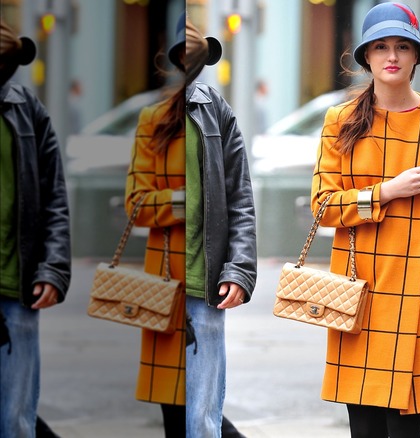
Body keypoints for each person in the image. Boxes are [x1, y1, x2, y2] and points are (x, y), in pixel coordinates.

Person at [310, 3, 420, 437]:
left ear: (417, 56)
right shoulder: (340, 121)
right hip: (357, 290)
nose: (392, 55)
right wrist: (385, 192)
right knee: (363, 428)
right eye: (381, 46)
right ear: (366, 56)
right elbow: (323, 207)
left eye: (403, 46)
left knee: (407, 429)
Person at [125, 13, 256, 437]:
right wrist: (191, 201)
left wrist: (239, 271)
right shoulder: (151, 120)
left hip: (209, 281)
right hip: (162, 287)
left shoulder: (219, 113)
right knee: (172, 411)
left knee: (203, 415)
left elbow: (240, 199)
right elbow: (136, 205)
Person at [0, 20, 71, 437]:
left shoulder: (27, 109)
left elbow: (54, 198)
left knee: (16, 419)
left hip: (19, 287)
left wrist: (53, 269)